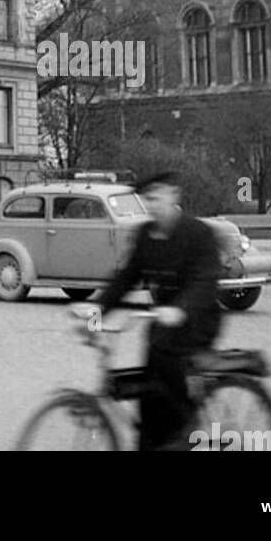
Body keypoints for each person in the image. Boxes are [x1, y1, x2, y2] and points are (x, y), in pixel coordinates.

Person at [89, 171, 222, 451]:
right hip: (161, 325)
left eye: (157, 196)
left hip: (198, 320)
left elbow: (205, 280)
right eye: (147, 198)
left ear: (174, 195)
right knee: (147, 386)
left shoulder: (198, 234)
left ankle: (188, 435)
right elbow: (124, 279)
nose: (152, 204)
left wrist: (180, 310)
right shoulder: (145, 236)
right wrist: (93, 314)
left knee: (170, 372)